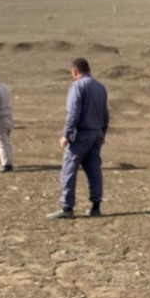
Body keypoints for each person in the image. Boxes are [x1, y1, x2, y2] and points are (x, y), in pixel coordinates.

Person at [46, 58, 109, 219]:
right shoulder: (100, 87)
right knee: (94, 170)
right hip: (96, 134)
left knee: (69, 170)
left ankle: (67, 207)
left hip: (81, 135)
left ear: (75, 72)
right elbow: (105, 113)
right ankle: (96, 207)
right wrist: (103, 133)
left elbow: (73, 112)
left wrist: (66, 135)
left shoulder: (78, 86)